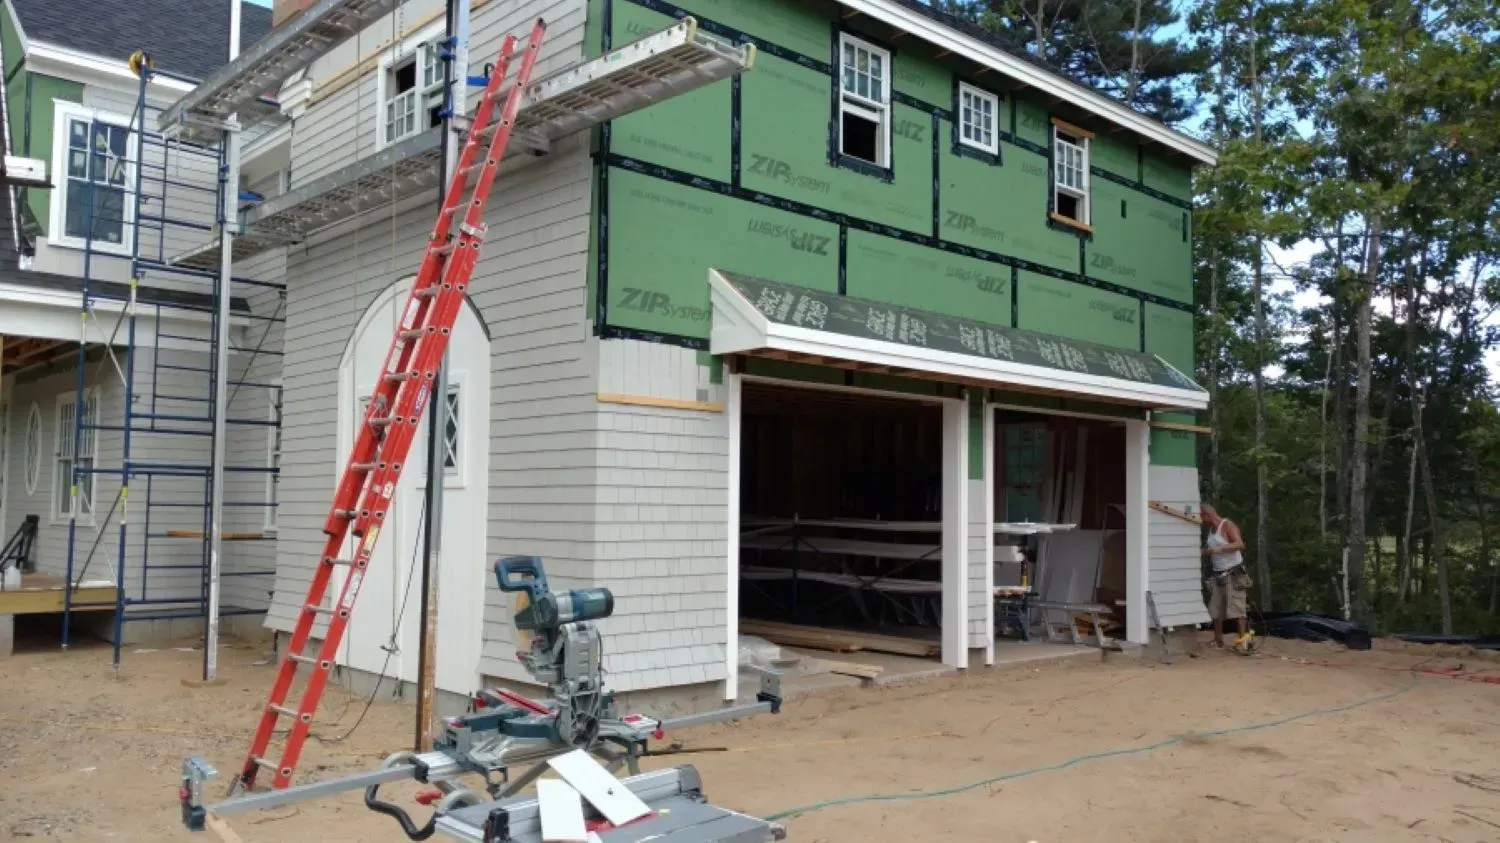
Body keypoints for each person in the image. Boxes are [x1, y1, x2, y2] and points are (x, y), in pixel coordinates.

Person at [1200, 504, 1253, 652]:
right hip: (1218, 573)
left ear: (1208, 515)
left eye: (1202, 517)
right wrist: (1205, 551)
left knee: (1237, 608)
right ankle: (1218, 641)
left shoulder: (1227, 525)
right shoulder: (1211, 530)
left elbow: (1239, 544)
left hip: (1234, 573)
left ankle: (1243, 642)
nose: (1201, 520)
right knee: (1216, 608)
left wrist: (1218, 550)